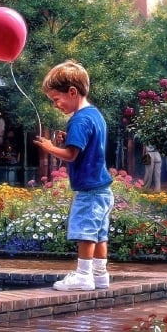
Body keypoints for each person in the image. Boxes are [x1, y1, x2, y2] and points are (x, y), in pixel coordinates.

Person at [33, 60, 114, 291]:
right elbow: (82, 148)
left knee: (85, 231)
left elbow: (70, 155)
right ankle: (100, 275)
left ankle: (83, 275)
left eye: (56, 99)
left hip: (89, 190)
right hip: (103, 189)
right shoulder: (95, 115)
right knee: (99, 234)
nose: (56, 105)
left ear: (72, 92)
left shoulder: (79, 119)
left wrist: (49, 147)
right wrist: (64, 141)